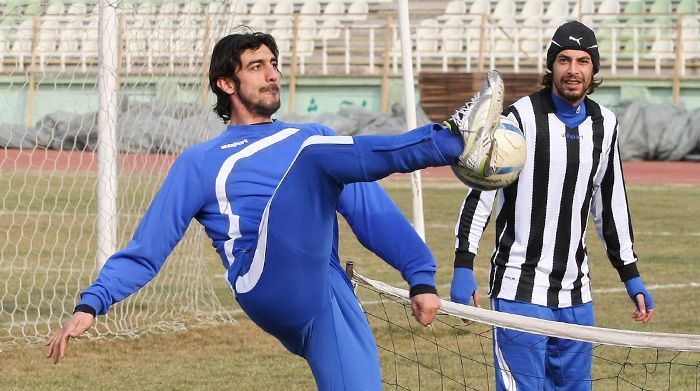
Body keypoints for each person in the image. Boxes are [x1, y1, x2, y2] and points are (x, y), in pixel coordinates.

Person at [46, 29, 506, 390]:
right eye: (256, 67)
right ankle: (451, 138)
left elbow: (370, 214)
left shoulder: (313, 133)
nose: (272, 74)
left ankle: (453, 140)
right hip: (265, 281)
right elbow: (148, 247)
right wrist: (93, 302)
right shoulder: (202, 161)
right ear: (226, 84)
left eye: (274, 64)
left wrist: (420, 277)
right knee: (315, 156)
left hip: (325, 288)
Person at [449, 21, 656, 390]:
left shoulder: (605, 125)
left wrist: (631, 275)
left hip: (576, 293)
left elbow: (610, 205)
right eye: (563, 60)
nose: (572, 70)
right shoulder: (519, 119)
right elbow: (480, 193)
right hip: (518, 288)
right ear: (551, 66)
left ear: (594, 70)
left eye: (582, 61)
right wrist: (464, 263)